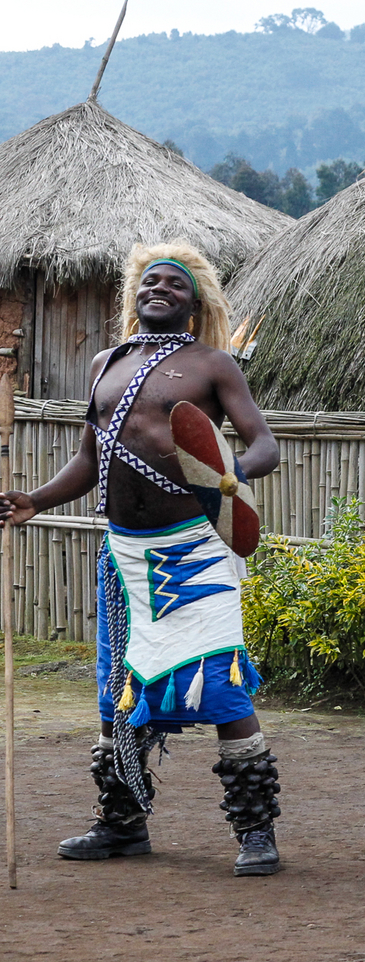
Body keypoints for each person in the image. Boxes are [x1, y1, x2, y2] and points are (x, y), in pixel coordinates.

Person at [0, 243, 283, 876]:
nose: (159, 289)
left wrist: (228, 477)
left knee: (218, 686)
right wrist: (34, 501)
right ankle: (122, 822)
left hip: (193, 551)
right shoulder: (107, 363)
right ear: (135, 295)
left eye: (174, 284)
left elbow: (264, 445)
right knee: (117, 693)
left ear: (195, 303)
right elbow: (90, 458)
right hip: (124, 555)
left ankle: (256, 831)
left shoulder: (214, 365)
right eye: (149, 281)